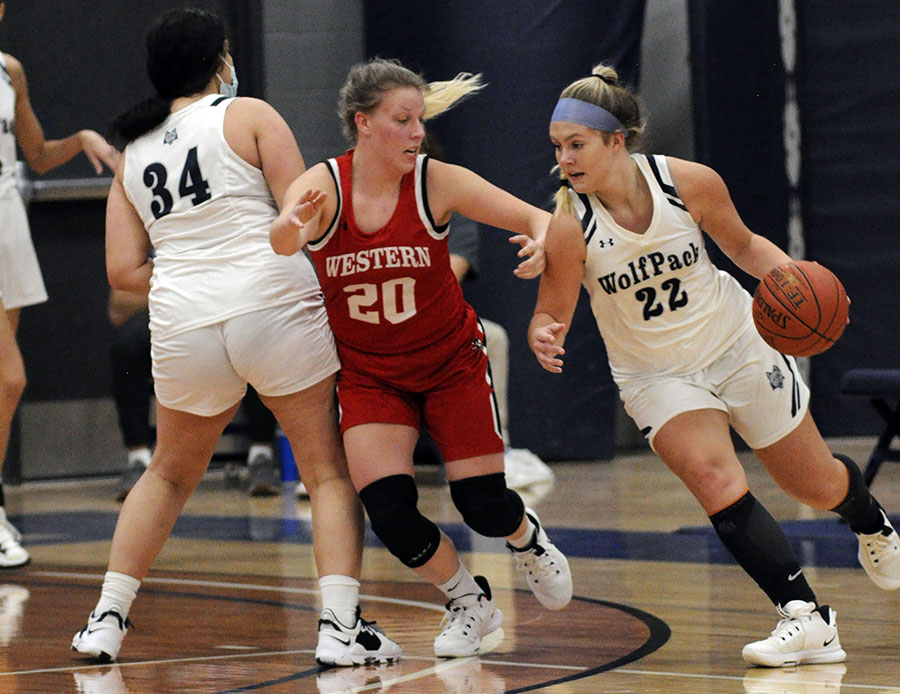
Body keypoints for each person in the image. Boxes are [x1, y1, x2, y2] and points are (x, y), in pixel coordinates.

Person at [531, 63, 900, 668]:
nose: (564, 159)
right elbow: (552, 311)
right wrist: (545, 335)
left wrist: (806, 283)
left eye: (577, 145)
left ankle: (871, 521)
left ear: (615, 141)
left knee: (812, 482)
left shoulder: (689, 182)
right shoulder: (570, 228)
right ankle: (806, 617)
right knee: (715, 479)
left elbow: (746, 246)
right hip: (657, 377)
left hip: (736, 342)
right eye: (558, 148)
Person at [71, 8, 399, 667]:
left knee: (166, 475)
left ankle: (105, 621)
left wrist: (195, 265)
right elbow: (303, 214)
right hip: (270, 301)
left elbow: (121, 270)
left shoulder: (132, 151)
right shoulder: (249, 114)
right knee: (326, 471)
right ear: (217, 60)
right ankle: (338, 629)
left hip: (184, 319)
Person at [271, 57, 572, 659]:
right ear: (363, 123)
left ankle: (527, 538)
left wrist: (542, 239)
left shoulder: (437, 181)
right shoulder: (324, 185)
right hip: (372, 375)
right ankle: (468, 600)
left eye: (419, 120)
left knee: (483, 506)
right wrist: (288, 225)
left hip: (449, 364)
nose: (416, 132)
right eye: (402, 120)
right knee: (390, 513)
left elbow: (542, 216)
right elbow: (283, 241)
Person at [0, 0, 120, 568]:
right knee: (8, 379)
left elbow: (39, 155)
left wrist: (84, 138)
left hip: (8, 222)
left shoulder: (10, 69)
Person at [108, 288, 282, 500]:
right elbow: (118, 308)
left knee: (255, 333)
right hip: (173, 316)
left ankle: (261, 455)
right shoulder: (156, 259)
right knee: (127, 346)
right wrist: (180, 290)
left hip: (228, 312)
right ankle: (139, 459)